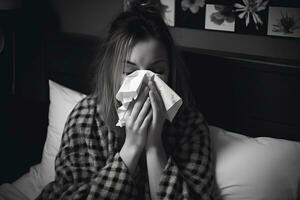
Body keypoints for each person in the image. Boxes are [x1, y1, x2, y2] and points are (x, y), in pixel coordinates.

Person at [36, 3, 215, 200]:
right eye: (130, 72)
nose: (145, 83)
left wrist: (154, 146)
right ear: (112, 72)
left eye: (157, 71)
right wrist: (131, 147)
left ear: (170, 72)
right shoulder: (86, 118)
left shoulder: (189, 124)